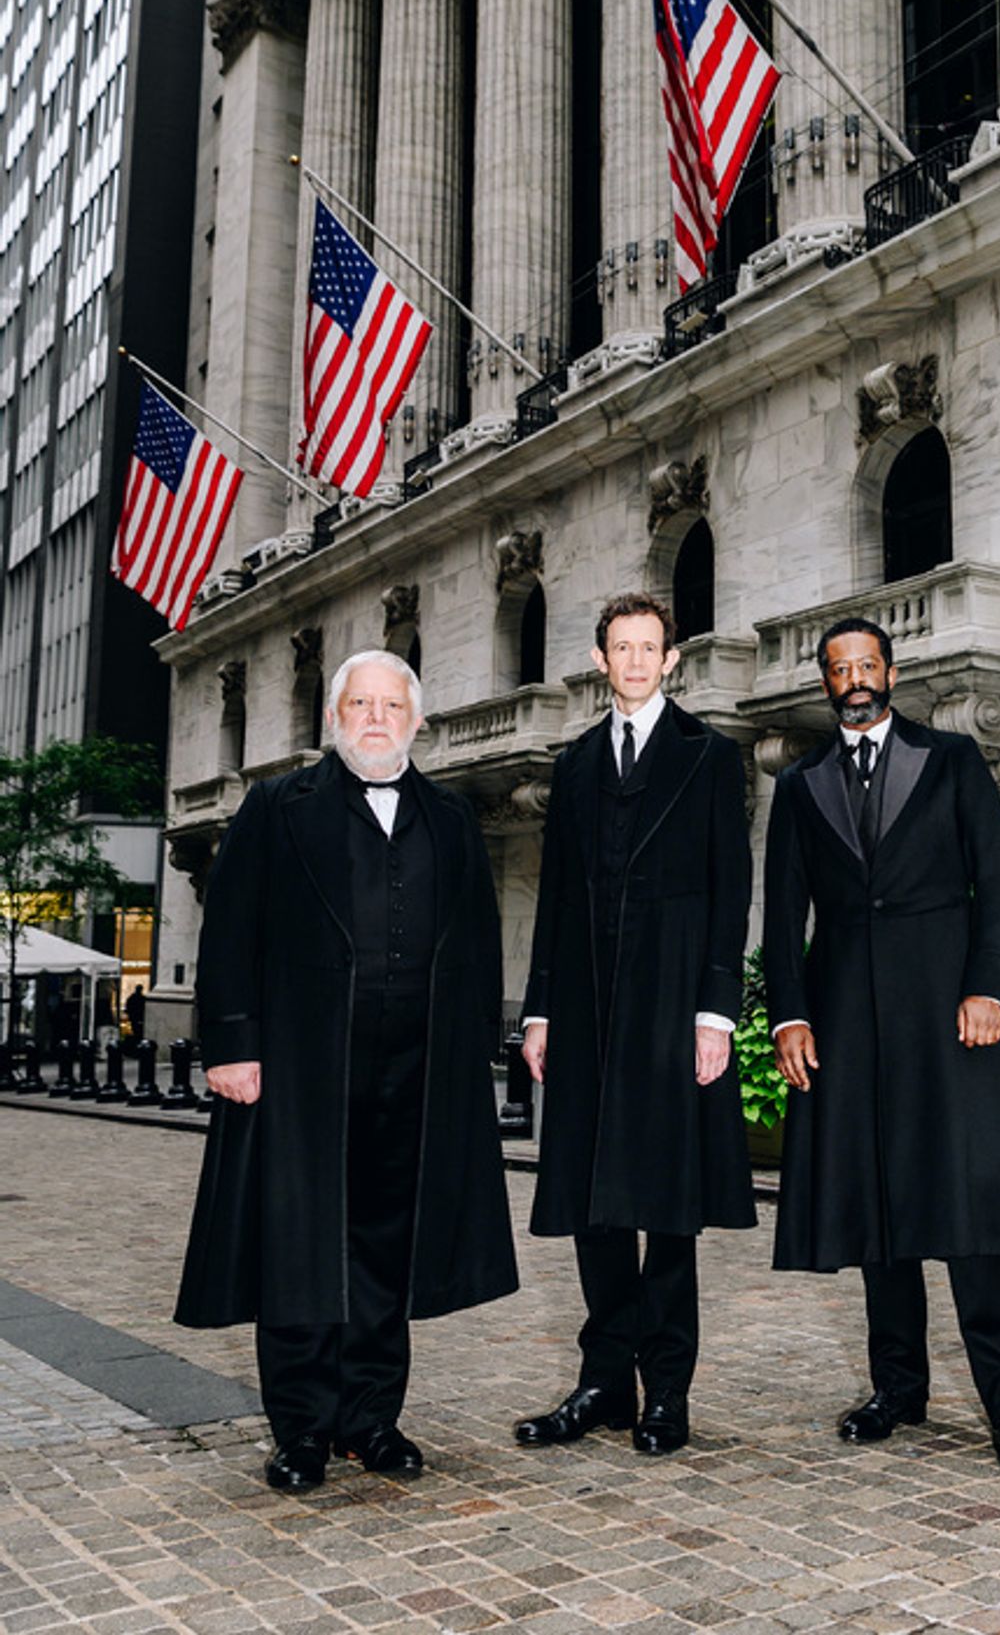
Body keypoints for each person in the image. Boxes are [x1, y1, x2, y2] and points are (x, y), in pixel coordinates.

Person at [175, 650, 518, 1492]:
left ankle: (371, 1418)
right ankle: (301, 1430)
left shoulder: (451, 817)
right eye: (359, 704)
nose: (374, 717)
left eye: (391, 705)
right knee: (298, 1251)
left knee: (385, 1253)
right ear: (333, 718)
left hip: (418, 1075)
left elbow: (477, 940)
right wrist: (230, 1045)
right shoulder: (274, 807)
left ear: (416, 720)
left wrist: (475, 1058)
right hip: (299, 1073)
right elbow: (229, 931)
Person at [763, 618, 1000, 1475]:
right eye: (839, 667)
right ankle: (898, 1387)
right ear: (826, 682)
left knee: (975, 1213)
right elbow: (783, 915)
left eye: (867, 663)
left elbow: (994, 876)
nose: (855, 678)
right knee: (878, 1208)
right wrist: (790, 1014)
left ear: (892, 670)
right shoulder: (800, 783)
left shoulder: (954, 759)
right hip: (847, 1019)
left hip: (950, 1012)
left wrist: (988, 985)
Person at [514, 592, 755, 1455]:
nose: (638, 660)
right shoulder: (575, 764)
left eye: (651, 647)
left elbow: (735, 892)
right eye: (623, 647)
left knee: (669, 1212)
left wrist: (715, 1011)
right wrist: (539, 1011)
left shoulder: (712, 757)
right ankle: (605, 1384)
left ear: (672, 658)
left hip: (670, 1008)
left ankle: (668, 1395)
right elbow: (553, 901)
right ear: (601, 657)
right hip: (583, 1011)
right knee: (595, 1210)